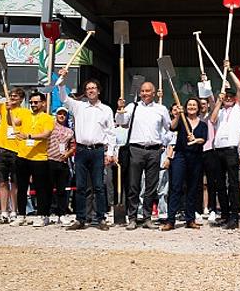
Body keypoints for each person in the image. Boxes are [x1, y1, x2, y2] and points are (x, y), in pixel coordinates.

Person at [57, 70, 116, 231]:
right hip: (81, 151)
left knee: (98, 186)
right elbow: (63, 98)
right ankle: (80, 218)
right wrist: (62, 81)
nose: (90, 90)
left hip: (97, 151)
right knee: (81, 187)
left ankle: (101, 218)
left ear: (98, 90)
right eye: (88, 88)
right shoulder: (78, 106)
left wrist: (110, 153)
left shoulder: (106, 110)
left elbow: (111, 133)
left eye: (93, 88)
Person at [116, 82, 172, 230]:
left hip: (154, 150)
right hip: (136, 149)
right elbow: (120, 122)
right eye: (142, 91)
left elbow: (169, 128)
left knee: (151, 186)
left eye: (148, 91)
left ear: (154, 93)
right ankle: (133, 217)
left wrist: (164, 144)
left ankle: (147, 217)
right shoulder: (132, 107)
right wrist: (120, 109)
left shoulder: (161, 109)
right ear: (139, 93)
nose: (145, 93)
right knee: (134, 185)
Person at [208, 66, 240, 230]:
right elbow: (212, 118)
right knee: (219, 184)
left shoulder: (238, 109)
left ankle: (234, 216)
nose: (229, 98)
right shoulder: (221, 110)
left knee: (233, 184)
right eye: (227, 97)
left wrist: (229, 70)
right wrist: (218, 101)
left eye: (231, 97)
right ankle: (224, 213)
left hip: (231, 149)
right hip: (218, 150)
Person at [163, 98, 207, 231]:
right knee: (176, 187)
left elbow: (203, 140)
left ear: (198, 108)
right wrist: (177, 115)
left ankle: (190, 219)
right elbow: (172, 127)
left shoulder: (203, 125)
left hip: (196, 157)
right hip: (180, 156)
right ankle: (170, 220)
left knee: (193, 188)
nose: (192, 107)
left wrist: (195, 140)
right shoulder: (182, 120)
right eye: (189, 105)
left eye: (194, 105)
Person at [12, 92, 55, 227]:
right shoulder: (25, 114)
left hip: (39, 158)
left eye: (36, 102)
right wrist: (10, 108)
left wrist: (29, 136)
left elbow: (46, 134)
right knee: (22, 187)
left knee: (41, 188)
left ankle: (42, 214)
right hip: (23, 156)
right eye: (31, 102)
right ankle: (21, 214)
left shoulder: (48, 118)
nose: (33, 105)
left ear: (43, 103)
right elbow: (12, 122)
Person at [0, 84, 28, 224]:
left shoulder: (24, 112)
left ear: (21, 99)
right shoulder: (2, 107)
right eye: (10, 96)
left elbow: (15, 122)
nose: (12, 98)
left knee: (15, 183)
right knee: (2, 182)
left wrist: (9, 112)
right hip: (2, 148)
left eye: (15, 97)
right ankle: (4, 211)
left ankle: (14, 211)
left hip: (16, 150)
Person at [48, 107, 76, 224]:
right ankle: (46, 213)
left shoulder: (70, 132)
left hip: (62, 161)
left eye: (64, 114)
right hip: (49, 159)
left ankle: (61, 213)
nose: (62, 116)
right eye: (60, 114)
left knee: (62, 190)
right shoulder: (50, 127)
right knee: (47, 190)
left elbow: (73, 146)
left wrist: (68, 153)